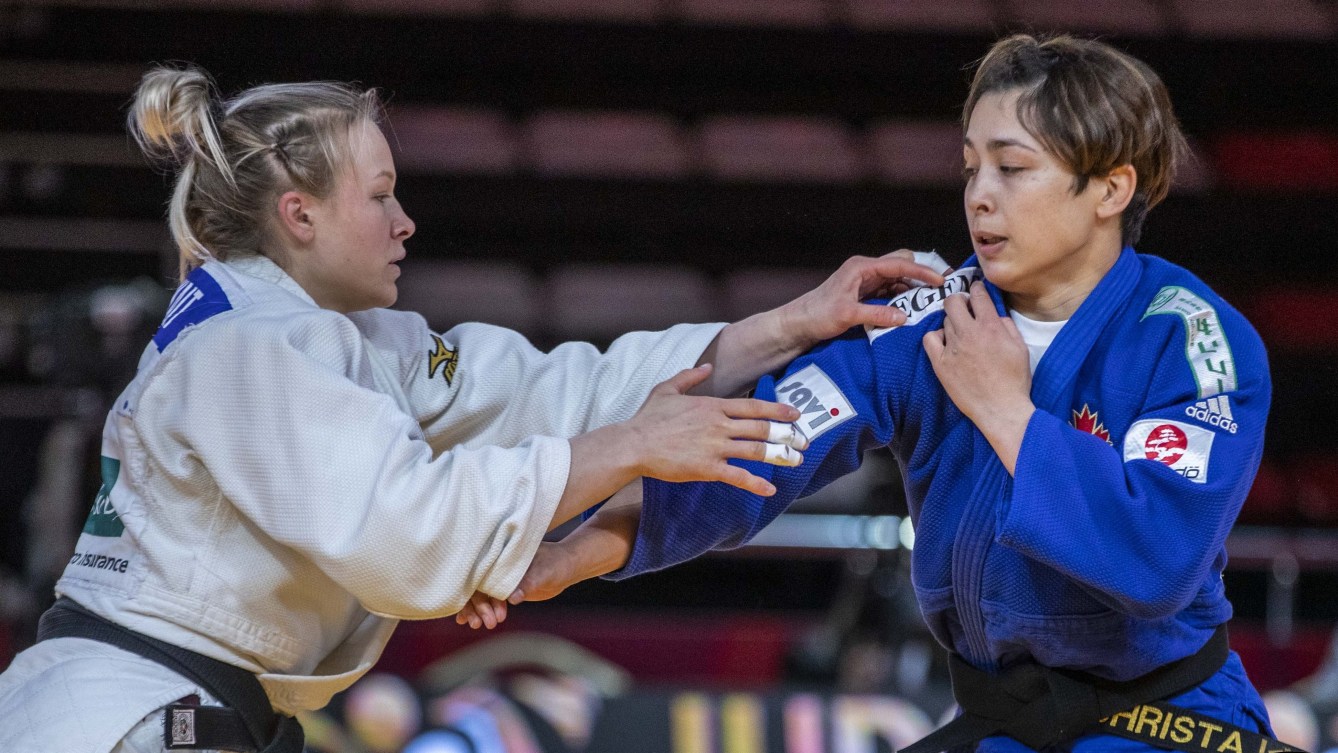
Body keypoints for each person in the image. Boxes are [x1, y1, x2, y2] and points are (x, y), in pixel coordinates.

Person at [0, 65, 945, 753]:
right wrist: (626, 448)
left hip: (179, 708)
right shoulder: (253, 348)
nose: (405, 220)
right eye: (379, 195)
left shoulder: (336, 338)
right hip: (129, 718)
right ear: (299, 215)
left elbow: (555, 390)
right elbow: (402, 532)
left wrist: (787, 325)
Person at [465, 34, 1296, 753]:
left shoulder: (1191, 343)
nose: (979, 195)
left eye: (1013, 168)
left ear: (1111, 189)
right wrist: (572, 555)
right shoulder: (923, 322)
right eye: (971, 165)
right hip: (1005, 720)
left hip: (1168, 721)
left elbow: (1153, 557)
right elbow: (765, 442)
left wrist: (1004, 407)